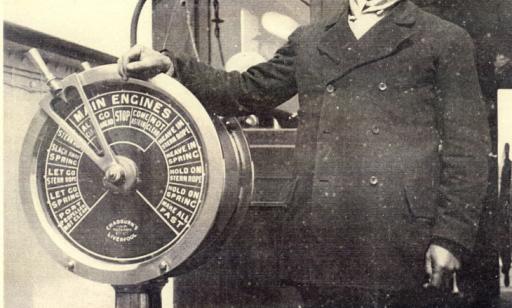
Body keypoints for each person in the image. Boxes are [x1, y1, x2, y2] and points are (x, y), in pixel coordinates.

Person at [118, 0, 490, 306]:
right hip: (322, 238)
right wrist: (172, 66)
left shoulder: (443, 38)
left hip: (399, 240)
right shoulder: (311, 40)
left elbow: (466, 149)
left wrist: (450, 237)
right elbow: (245, 90)